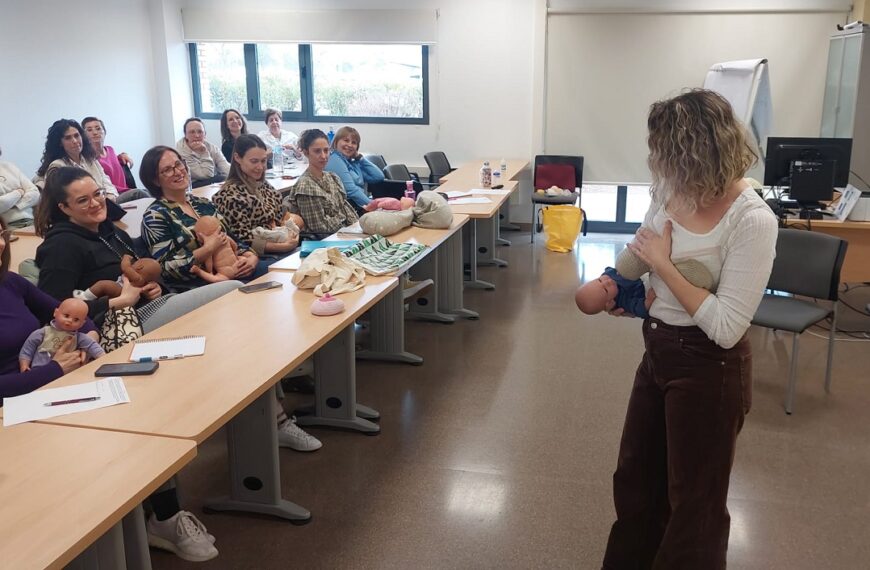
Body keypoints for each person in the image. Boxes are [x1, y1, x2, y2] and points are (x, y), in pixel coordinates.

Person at [601, 89, 777, 569]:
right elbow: (642, 254)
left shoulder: (753, 220)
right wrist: (625, 292)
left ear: (696, 152)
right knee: (636, 482)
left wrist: (664, 266)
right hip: (658, 349)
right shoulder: (671, 192)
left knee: (694, 505)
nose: (656, 162)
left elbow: (724, 325)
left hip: (711, 367)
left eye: (664, 152)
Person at [35, 167, 242, 334]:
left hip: (151, 306)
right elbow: (51, 311)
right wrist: (118, 302)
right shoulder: (60, 246)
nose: (96, 203)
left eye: (98, 194)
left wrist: (155, 288)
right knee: (232, 289)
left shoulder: (112, 232)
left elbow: (144, 271)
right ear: (63, 207)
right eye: (83, 200)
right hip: (121, 326)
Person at [139, 146, 267, 289]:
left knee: (275, 273)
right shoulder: (155, 216)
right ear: (155, 180)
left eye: (178, 164)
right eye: (167, 170)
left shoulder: (203, 203)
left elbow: (233, 237)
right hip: (200, 284)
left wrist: (251, 256)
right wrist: (207, 249)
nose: (178, 172)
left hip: (234, 268)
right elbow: (165, 269)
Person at [0, 218, 97, 399]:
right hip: (14, 406)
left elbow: (73, 315)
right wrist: (54, 369)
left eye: (1, 235)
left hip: (53, 385)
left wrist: (86, 345)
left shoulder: (9, 281)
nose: (2, 244)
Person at [212, 134, 298, 258]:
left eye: (263, 161)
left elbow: (283, 215)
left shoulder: (263, 185)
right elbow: (243, 241)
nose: (260, 167)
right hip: (260, 256)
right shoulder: (230, 196)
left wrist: (292, 234)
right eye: (254, 161)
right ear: (237, 158)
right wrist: (284, 246)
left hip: (282, 243)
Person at [285, 129, 359, 237]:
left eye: (326, 150)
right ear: (306, 152)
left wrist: (357, 229)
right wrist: (343, 219)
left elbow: (348, 210)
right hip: (327, 242)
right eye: (317, 151)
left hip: (346, 234)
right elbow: (322, 229)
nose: (324, 156)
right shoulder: (305, 186)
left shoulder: (333, 177)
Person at [34, 119, 121, 200]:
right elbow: (64, 200)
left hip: (104, 204)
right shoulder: (58, 167)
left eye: (77, 136)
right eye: (68, 138)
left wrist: (110, 198)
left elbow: (108, 185)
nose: (75, 141)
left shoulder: (90, 159)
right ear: (59, 143)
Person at [19, 297, 104, 371]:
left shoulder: (79, 337)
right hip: (39, 370)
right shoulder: (42, 333)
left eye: (76, 320)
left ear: (82, 323)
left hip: (68, 372)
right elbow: (28, 348)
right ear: (56, 312)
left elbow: (93, 346)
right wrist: (24, 365)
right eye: (66, 316)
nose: (70, 321)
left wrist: (104, 359)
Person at [82, 116, 148, 199]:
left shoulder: (110, 149)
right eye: (89, 130)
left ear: (104, 132)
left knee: (150, 191)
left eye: (98, 128)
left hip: (127, 191)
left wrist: (123, 155)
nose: (95, 132)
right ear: (83, 136)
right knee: (140, 193)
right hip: (114, 195)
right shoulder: (89, 159)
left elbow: (114, 163)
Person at [325, 126, 384, 210]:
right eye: (346, 140)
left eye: (354, 142)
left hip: (360, 206)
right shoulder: (334, 160)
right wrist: (376, 207)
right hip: (348, 210)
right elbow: (351, 191)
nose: (349, 145)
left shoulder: (352, 162)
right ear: (336, 142)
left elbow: (378, 177)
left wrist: (360, 158)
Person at [574, 268, 654, 318]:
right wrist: (648, 301)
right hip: (647, 285)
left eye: (599, 280)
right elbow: (639, 309)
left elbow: (610, 269)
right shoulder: (623, 302)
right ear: (609, 303)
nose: (607, 282)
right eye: (606, 290)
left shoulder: (608, 275)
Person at [175, 118, 230, 188]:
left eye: (200, 132)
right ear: (185, 135)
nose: (197, 135)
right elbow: (206, 175)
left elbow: (226, 168)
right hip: (192, 186)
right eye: (192, 132)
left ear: (205, 134)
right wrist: (204, 152)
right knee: (221, 178)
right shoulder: (180, 152)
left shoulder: (212, 148)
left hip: (212, 183)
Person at [0, 146, 40, 228]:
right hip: (6, 230)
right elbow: (1, 203)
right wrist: (18, 193)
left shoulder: (9, 167)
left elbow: (35, 194)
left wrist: (11, 205)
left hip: (28, 221)